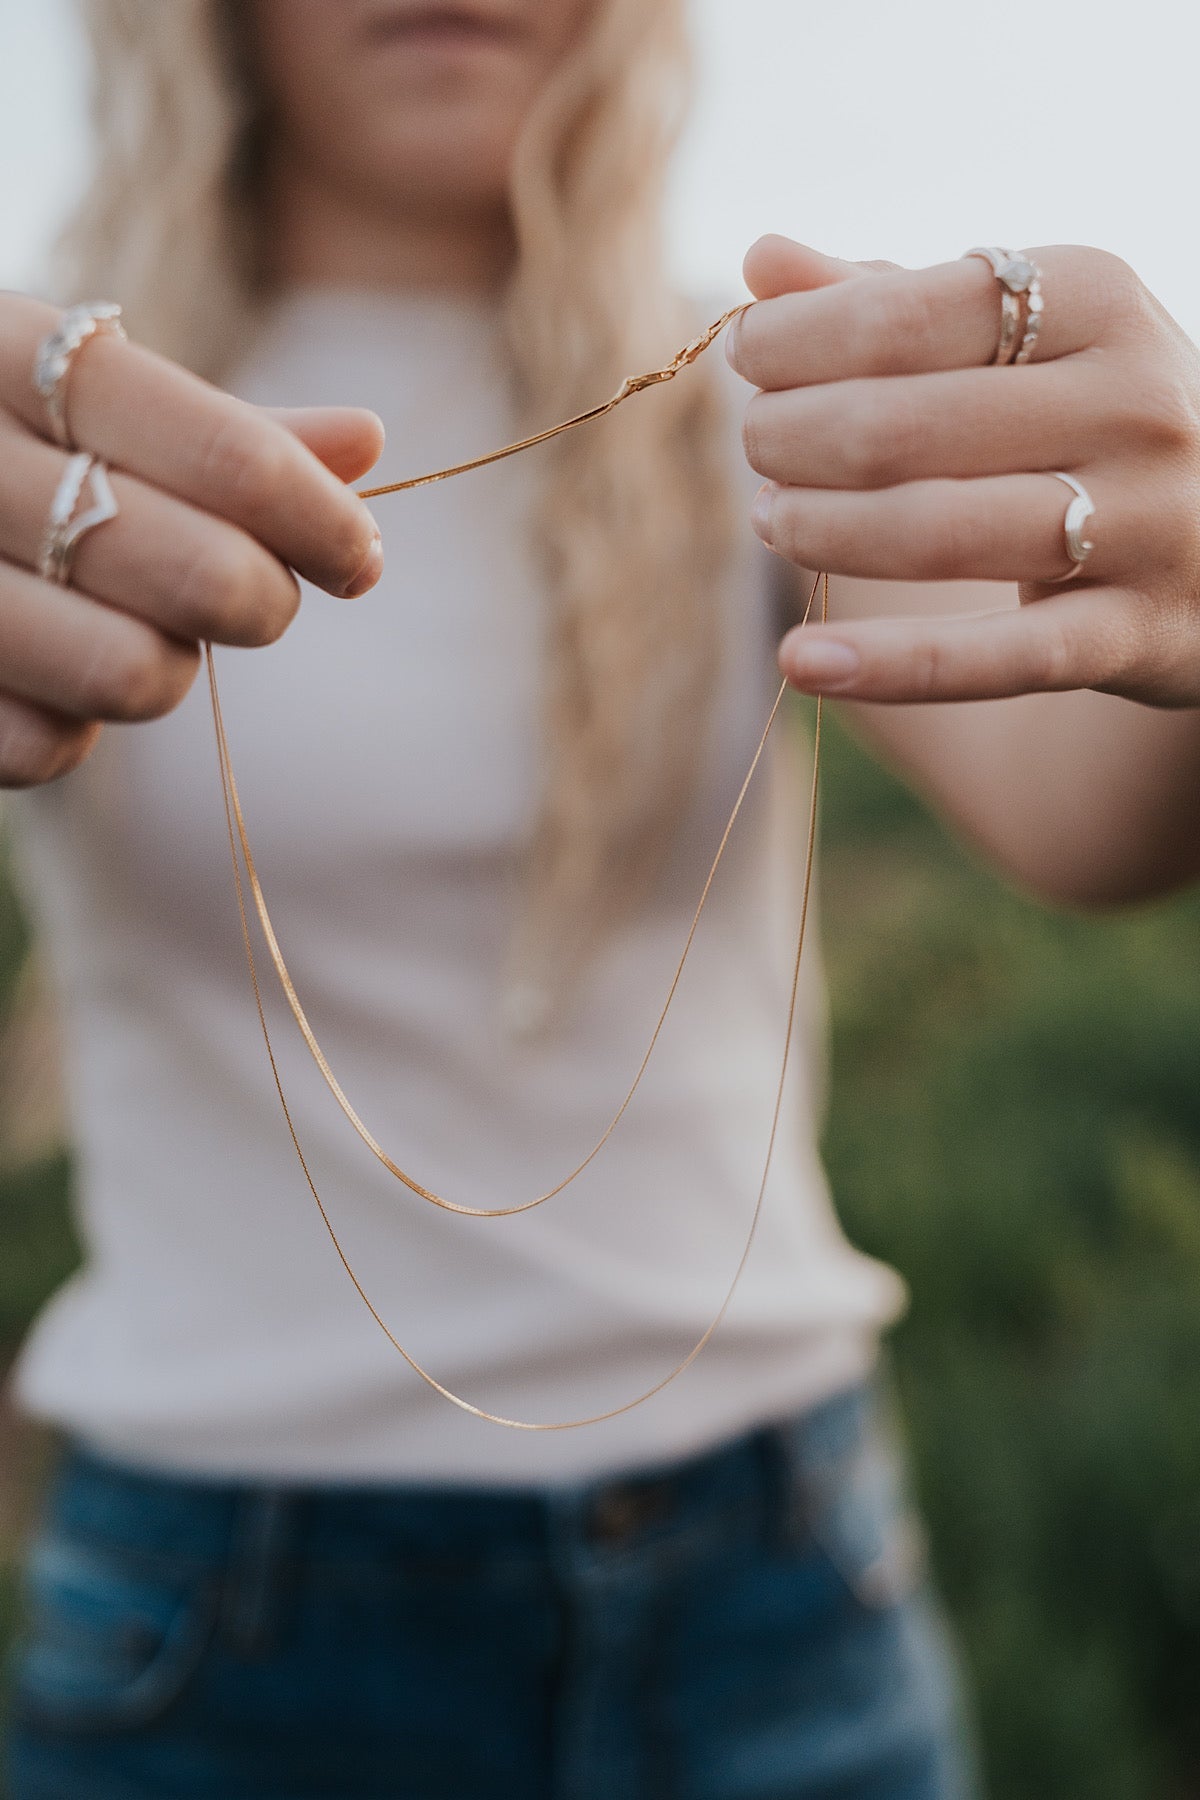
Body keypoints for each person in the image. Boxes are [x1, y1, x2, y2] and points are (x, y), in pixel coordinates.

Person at [0, 2, 1197, 1796]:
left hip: (776, 1589)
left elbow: (1093, 817)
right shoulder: (53, 430)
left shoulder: (755, 398)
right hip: (213, 1627)